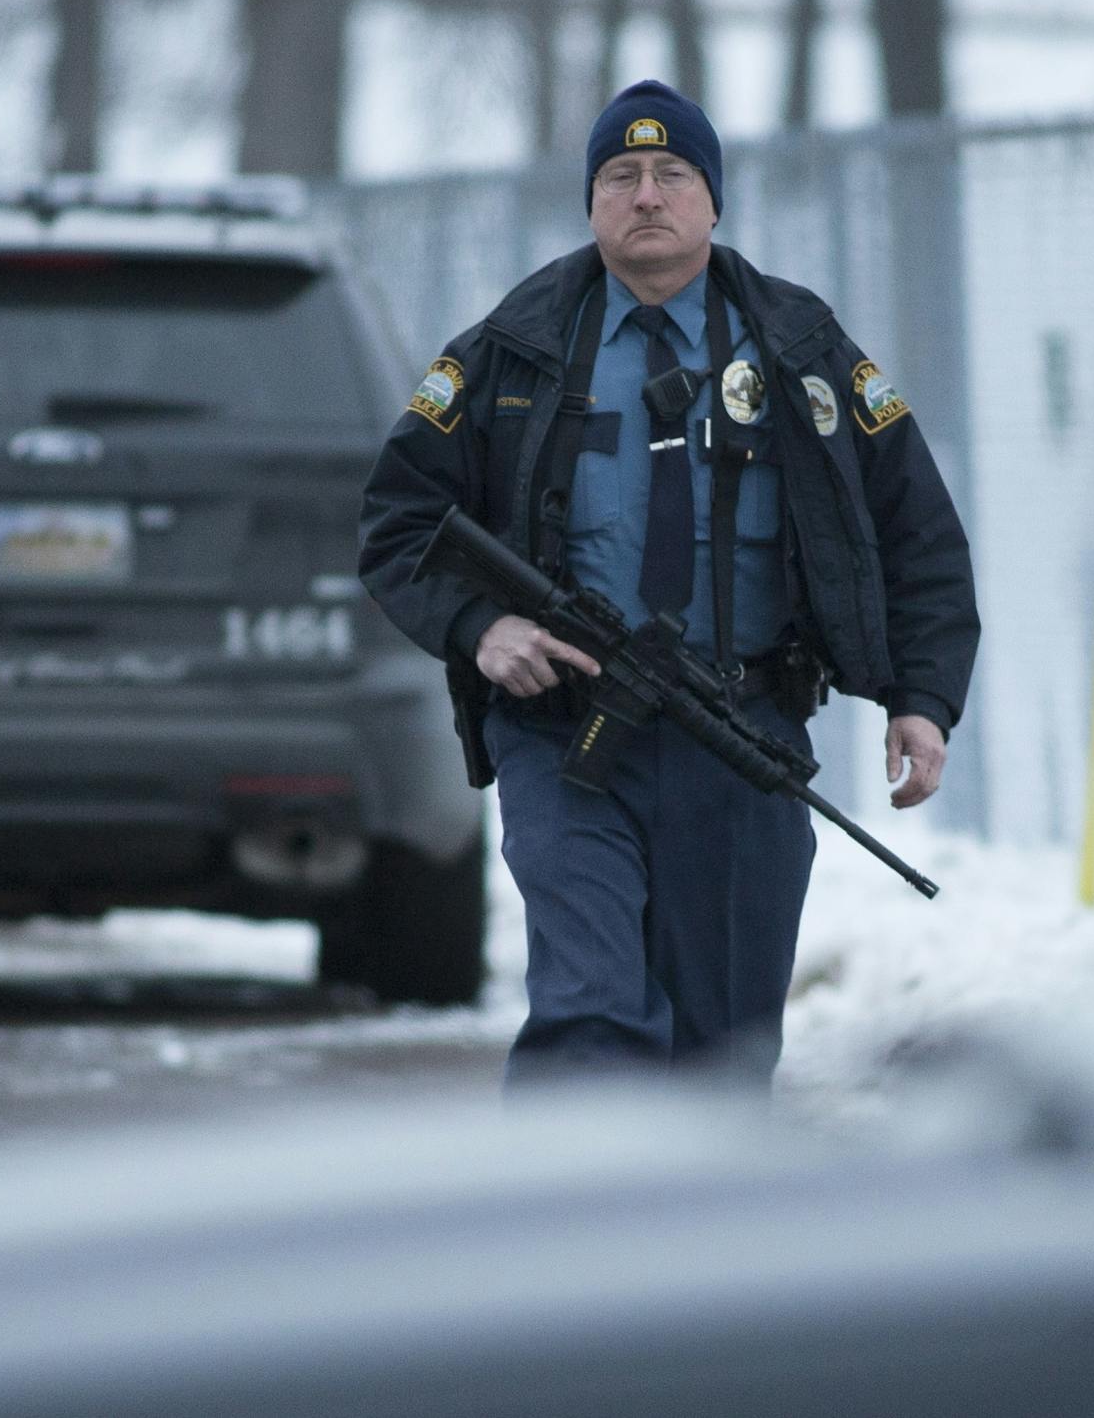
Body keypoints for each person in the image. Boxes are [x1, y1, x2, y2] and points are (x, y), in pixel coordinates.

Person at [359, 80, 978, 1085]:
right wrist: (480, 628)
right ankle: (567, 1238)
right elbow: (399, 520)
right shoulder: (512, 353)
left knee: (720, 1057)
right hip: (566, 737)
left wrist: (922, 698)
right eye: (620, 176)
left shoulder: (799, 350)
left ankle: (696, 1239)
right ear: (593, 203)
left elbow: (916, 532)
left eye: (671, 173)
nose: (646, 195)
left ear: (713, 199)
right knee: (590, 1018)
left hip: (744, 739)